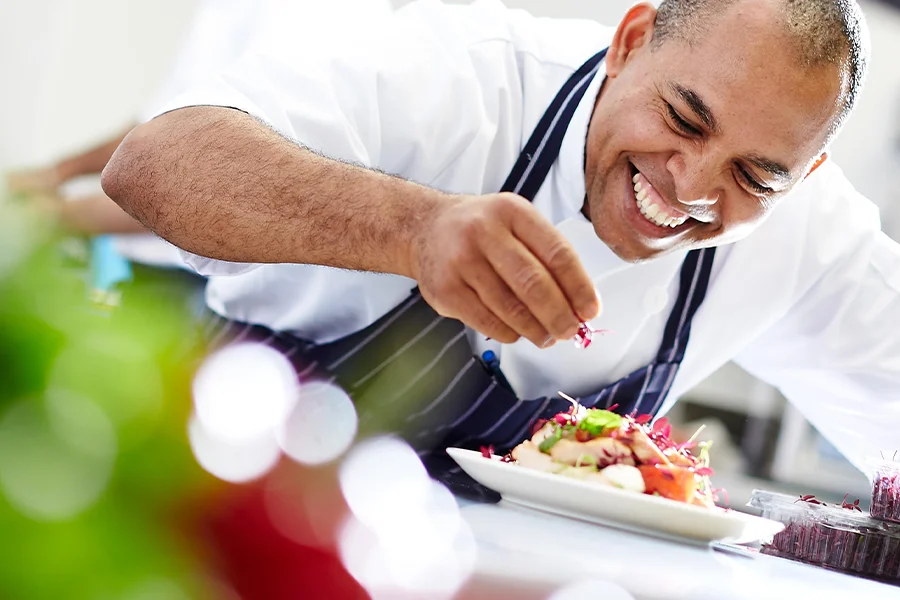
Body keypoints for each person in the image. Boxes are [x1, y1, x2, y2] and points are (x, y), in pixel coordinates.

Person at [101, 0, 897, 493]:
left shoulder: (812, 234)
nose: (690, 187)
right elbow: (153, 164)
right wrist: (411, 229)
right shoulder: (464, 76)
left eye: (755, 176)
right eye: (684, 119)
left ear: (807, 171)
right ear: (631, 43)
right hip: (227, 514)